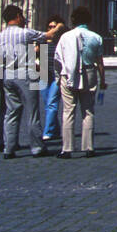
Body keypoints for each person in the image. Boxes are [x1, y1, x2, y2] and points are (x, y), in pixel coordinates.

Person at [0, 4, 63, 159]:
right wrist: (58, 27)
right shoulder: (25, 33)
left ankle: (8, 148)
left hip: (7, 73)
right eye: (22, 16)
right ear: (18, 17)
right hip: (24, 73)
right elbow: (48, 35)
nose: (24, 19)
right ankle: (37, 147)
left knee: (11, 113)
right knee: (32, 112)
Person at [54, 7, 105, 159]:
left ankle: (67, 148)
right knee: (88, 111)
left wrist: (58, 77)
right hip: (89, 72)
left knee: (68, 111)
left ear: (73, 20)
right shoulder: (96, 37)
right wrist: (103, 80)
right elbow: (100, 62)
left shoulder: (65, 37)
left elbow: (58, 58)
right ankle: (89, 147)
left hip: (68, 74)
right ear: (89, 20)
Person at [40, 14, 67, 146]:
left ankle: (48, 132)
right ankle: (55, 129)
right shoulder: (42, 41)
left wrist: (60, 28)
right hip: (43, 75)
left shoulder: (62, 41)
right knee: (47, 103)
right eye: (49, 27)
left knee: (52, 103)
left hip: (57, 75)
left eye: (54, 27)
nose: (51, 29)